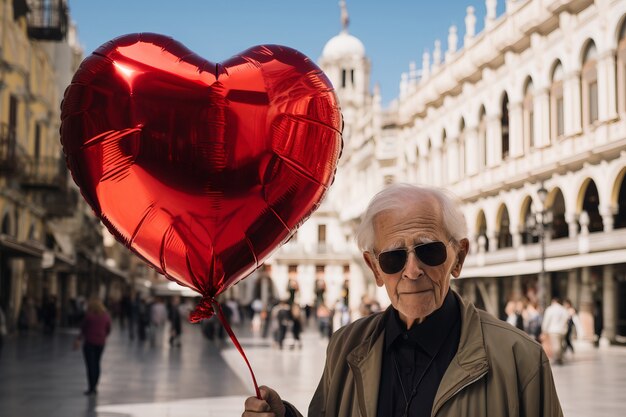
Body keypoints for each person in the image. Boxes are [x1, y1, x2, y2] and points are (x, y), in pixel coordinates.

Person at [242, 183, 563, 417]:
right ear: (375, 269)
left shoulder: (519, 358)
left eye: (429, 251)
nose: (412, 271)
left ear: (459, 257)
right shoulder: (345, 346)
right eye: (394, 258)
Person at [75, 298, 111, 395]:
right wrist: (103, 336)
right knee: (97, 363)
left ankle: (91, 387)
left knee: (90, 365)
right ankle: (95, 386)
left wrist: (78, 339)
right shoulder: (106, 316)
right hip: (100, 343)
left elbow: (83, 329)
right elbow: (108, 329)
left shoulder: (89, 316)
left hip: (89, 342)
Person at [541, 297, 570, 365]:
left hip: (553, 330)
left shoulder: (550, 309)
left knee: (556, 345)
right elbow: (566, 319)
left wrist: (544, 329)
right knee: (560, 344)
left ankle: (557, 358)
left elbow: (546, 320)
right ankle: (559, 357)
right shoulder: (563, 309)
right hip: (561, 330)